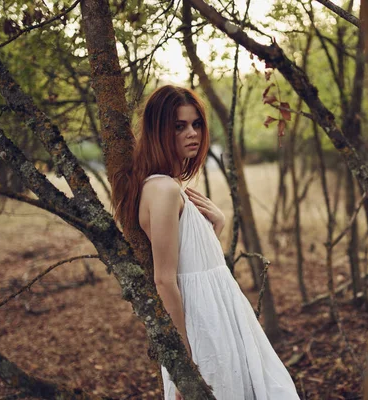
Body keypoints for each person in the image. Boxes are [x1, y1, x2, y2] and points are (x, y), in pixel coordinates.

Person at [110, 85, 300, 400]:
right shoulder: (164, 191)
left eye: (196, 124)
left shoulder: (170, 187)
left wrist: (217, 225)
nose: (192, 133)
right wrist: (184, 365)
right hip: (203, 327)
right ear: (159, 131)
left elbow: (191, 260)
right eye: (179, 126)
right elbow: (165, 279)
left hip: (220, 314)